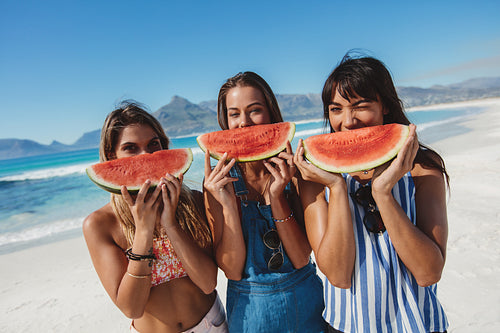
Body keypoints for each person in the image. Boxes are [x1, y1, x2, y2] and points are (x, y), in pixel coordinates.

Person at [294, 54, 449, 332]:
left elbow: (429, 273)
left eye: (360, 106)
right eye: (336, 109)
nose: (348, 121)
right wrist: (337, 187)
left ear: (385, 106)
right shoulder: (315, 178)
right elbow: (339, 276)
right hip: (347, 326)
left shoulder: (423, 169)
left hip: (418, 324)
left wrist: (383, 193)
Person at [83, 101, 228, 333]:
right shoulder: (100, 224)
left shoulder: (196, 202)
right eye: (130, 148)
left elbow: (208, 283)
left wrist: (170, 224)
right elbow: (132, 308)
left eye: (153, 145)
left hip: (212, 325)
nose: (145, 156)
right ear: (112, 157)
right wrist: (143, 232)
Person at [203, 71, 328, 332]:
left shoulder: (299, 174)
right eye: (234, 113)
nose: (243, 123)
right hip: (250, 315)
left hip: (307, 305)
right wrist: (227, 204)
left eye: (254, 110)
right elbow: (232, 270)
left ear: (271, 114)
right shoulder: (218, 183)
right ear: (225, 121)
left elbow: (301, 258)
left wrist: (276, 196)